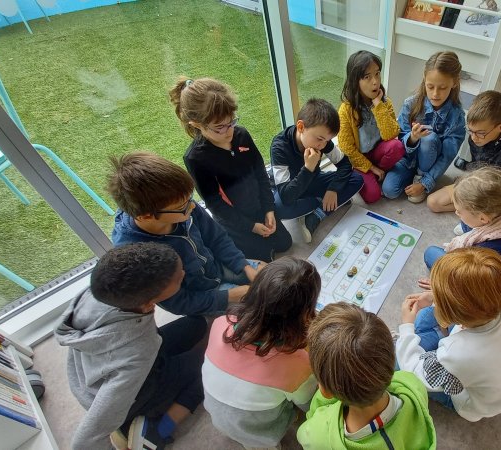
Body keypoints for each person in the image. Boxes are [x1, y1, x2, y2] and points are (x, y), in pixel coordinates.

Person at [55, 242, 206, 450]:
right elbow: (86, 439)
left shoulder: (101, 291)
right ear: (148, 304)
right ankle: (157, 429)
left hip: (115, 360)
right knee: (212, 367)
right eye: (178, 278)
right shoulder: (136, 354)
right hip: (134, 393)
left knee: (197, 324)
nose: (183, 273)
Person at [108, 151, 264, 316]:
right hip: (199, 295)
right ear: (146, 216)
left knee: (268, 274)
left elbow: (217, 238)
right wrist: (228, 296)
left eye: (190, 198)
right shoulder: (135, 257)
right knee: (257, 311)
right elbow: (178, 302)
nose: (193, 207)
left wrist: (243, 265)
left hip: (217, 267)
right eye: (183, 206)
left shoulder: (181, 204)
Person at [397, 247, 501, 421]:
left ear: (453, 315)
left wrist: (407, 326)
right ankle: (435, 337)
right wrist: (436, 297)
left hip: (468, 401)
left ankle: (434, 341)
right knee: (431, 254)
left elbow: (414, 372)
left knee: (396, 361)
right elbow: (475, 294)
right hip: (487, 360)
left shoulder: (459, 354)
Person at [202, 257, 320, 449]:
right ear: (305, 313)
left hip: (216, 415)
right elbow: (309, 403)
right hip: (259, 429)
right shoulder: (297, 362)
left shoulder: (222, 322)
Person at [170, 77, 292, 262]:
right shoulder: (196, 158)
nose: (229, 131)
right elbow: (215, 204)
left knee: (285, 244)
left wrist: (269, 209)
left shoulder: (241, 134)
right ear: (196, 124)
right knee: (264, 258)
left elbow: (261, 173)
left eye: (232, 122)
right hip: (235, 220)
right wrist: (251, 226)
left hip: (259, 207)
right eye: (220, 127)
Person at [297, 302, 436, 450]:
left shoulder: (317, 435)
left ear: (325, 391)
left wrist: (323, 398)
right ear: (391, 361)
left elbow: (304, 434)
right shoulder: (412, 383)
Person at [419, 166, 501, 299]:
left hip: (495, 295)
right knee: (465, 223)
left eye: (459, 211)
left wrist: (443, 286)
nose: (456, 213)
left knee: (430, 253)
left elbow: (472, 292)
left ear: (483, 218)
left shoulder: (484, 255)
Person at [431, 90, 501, 210]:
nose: (473, 137)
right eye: (470, 130)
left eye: (481, 133)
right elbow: (477, 163)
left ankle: (481, 213)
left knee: (468, 210)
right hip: (481, 183)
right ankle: (474, 211)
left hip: (500, 196)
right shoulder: (477, 136)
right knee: (434, 202)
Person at [270, 98, 363, 243]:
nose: (323, 145)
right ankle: (321, 203)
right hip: (291, 189)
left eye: (327, 140)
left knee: (356, 179)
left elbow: (345, 164)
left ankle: (317, 214)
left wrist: (333, 189)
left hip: (313, 181)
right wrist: (308, 168)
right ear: (301, 127)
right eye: (320, 139)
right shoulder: (279, 147)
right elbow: (286, 195)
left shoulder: (323, 141)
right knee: (279, 208)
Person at [383, 51, 466, 204]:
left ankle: (420, 177)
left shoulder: (457, 117)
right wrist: (412, 138)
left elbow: (446, 157)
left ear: (454, 82)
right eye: (430, 86)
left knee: (429, 138)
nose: (435, 94)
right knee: (389, 191)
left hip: (430, 165)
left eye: (442, 88)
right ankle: (411, 174)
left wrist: (424, 183)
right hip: (407, 160)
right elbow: (399, 140)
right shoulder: (410, 104)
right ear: (424, 78)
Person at [337, 51, 405, 204]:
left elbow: (391, 134)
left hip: (378, 152)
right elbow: (347, 148)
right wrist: (370, 167)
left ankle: (379, 172)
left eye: (377, 74)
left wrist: (378, 105)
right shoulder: (346, 110)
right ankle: (373, 173)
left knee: (397, 147)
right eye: (367, 77)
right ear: (355, 81)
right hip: (359, 159)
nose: (375, 82)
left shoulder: (384, 102)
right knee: (373, 196)